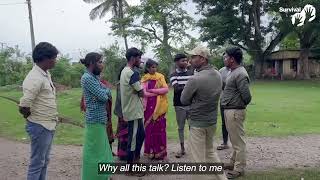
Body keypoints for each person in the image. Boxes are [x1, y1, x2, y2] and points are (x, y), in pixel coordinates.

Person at [181, 45, 227, 180]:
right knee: (210, 152)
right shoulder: (218, 74)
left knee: (197, 160)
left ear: (202, 59)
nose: (190, 60)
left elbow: (184, 100)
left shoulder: (195, 79)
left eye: (193, 57)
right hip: (212, 121)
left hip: (197, 123)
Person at [19, 42, 59, 180]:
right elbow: (24, 105)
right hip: (40, 125)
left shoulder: (45, 74)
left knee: (44, 161)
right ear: (45, 58)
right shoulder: (34, 77)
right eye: (54, 58)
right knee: (37, 163)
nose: (55, 60)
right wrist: (33, 119)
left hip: (48, 124)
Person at [80, 52, 113, 180]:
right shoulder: (87, 78)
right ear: (92, 63)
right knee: (94, 154)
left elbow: (104, 92)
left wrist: (105, 90)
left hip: (100, 120)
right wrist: (106, 90)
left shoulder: (94, 78)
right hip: (94, 121)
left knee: (101, 151)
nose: (102, 65)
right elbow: (104, 96)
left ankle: (103, 176)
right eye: (100, 62)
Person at [221, 47, 252, 179]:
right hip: (230, 110)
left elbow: (247, 96)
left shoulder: (240, 74)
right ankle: (233, 163)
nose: (224, 59)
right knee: (235, 140)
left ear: (232, 59)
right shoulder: (232, 72)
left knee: (238, 141)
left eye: (226, 57)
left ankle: (239, 168)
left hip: (235, 111)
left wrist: (238, 105)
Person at [120, 47, 145, 176]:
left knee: (141, 135)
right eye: (139, 58)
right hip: (133, 111)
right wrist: (141, 91)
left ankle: (136, 161)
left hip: (134, 111)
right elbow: (142, 93)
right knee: (134, 139)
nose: (140, 60)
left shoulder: (125, 71)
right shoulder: (132, 73)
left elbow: (138, 91)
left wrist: (139, 90)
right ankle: (130, 168)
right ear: (133, 58)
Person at [142, 59, 169, 160]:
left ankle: (160, 152)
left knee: (159, 128)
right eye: (152, 67)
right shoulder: (145, 79)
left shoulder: (160, 77)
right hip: (148, 107)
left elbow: (166, 89)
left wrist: (153, 91)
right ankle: (151, 152)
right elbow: (144, 93)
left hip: (159, 107)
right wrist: (158, 92)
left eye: (155, 67)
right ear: (148, 68)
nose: (154, 69)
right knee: (149, 129)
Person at [80, 78, 115, 155]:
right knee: (100, 132)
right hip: (95, 113)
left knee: (108, 128)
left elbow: (107, 94)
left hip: (105, 111)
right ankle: (102, 151)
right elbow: (104, 95)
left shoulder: (102, 82)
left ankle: (108, 150)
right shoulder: (90, 81)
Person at [169, 53, 193, 158]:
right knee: (181, 127)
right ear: (177, 62)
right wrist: (189, 86)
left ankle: (193, 148)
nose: (185, 62)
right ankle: (182, 148)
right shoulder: (173, 75)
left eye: (186, 60)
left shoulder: (191, 73)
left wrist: (184, 86)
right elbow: (177, 89)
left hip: (191, 104)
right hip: (179, 105)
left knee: (193, 127)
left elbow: (192, 87)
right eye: (183, 61)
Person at [217, 56, 231, 151]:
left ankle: (236, 143)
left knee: (233, 123)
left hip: (234, 101)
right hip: (223, 100)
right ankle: (225, 142)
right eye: (223, 58)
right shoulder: (221, 71)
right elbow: (218, 85)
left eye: (226, 58)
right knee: (224, 123)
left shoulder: (237, 71)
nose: (224, 60)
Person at [114, 65, 128, 161]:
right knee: (124, 133)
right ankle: (123, 154)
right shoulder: (120, 84)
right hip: (123, 112)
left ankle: (123, 153)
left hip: (124, 111)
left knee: (125, 133)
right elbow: (121, 99)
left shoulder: (122, 83)